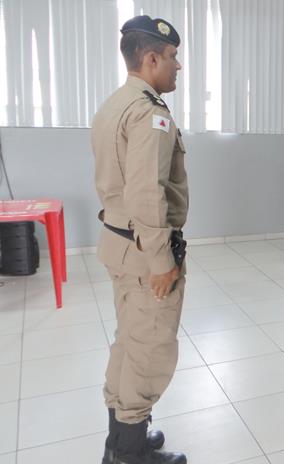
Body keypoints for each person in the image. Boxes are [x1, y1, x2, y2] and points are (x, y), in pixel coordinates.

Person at [92, 15, 188, 464]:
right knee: (148, 350)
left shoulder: (114, 103)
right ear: (151, 59)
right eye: (172, 57)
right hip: (144, 252)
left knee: (128, 342)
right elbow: (147, 194)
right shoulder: (150, 113)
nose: (178, 66)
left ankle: (120, 442)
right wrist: (163, 261)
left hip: (119, 243)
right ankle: (130, 456)